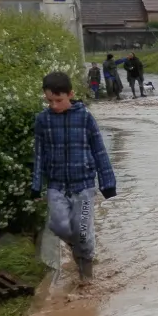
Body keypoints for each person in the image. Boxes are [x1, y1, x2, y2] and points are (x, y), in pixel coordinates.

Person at [31, 71, 117, 284]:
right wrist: (36, 185)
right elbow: (39, 154)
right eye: (49, 100)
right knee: (59, 226)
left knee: (82, 231)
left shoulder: (85, 117)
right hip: (56, 186)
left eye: (58, 100)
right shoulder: (43, 121)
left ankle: (86, 274)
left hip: (85, 187)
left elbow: (99, 150)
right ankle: (77, 248)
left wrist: (107, 183)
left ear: (70, 94)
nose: (54, 105)